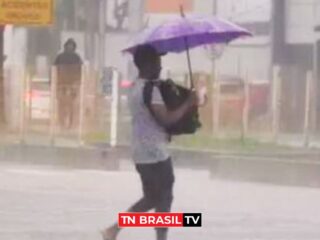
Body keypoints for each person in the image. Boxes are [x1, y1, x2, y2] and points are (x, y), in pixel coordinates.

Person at [101, 45, 199, 240]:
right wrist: (188, 103)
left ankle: (113, 230)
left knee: (152, 197)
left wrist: (189, 99)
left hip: (139, 152)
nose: (160, 66)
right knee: (165, 195)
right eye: (156, 62)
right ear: (146, 64)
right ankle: (159, 238)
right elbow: (166, 119)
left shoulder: (135, 87)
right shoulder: (151, 89)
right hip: (155, 152)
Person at [54, 38, 82, 129]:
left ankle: (63, 122)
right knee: (71, 105)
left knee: (62, 104)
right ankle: (69, 123)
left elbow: (54, 70)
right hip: (70, 84)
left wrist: (53, 82)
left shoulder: (60, 57)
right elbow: (81, 72)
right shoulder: (77, 57)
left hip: (62, 84)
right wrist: (78, 83)